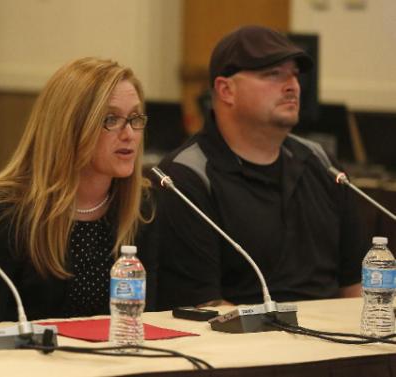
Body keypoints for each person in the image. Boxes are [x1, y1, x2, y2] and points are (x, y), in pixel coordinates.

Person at [154, 25, 366, 309]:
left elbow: (356, 286)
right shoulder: (186, 176)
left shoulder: (322, 163)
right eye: (273, 74)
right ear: (226, 90)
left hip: (337, 342)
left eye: (294, 74)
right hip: (243, 347)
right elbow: (203, 307)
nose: (292, 85)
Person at [0, 57, 158, 323]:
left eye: (135, 118)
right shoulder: (4, 212)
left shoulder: (141, 207)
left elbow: (155, 317)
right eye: (111, 119)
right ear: (69, 127)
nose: (129, 134)